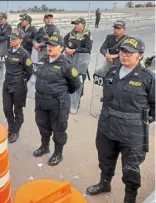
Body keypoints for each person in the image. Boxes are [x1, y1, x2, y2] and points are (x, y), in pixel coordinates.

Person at [86, 37, 155, 203]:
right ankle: (104, 183)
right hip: (107, 126)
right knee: (105, 159)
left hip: (132, 132)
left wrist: (140, 121)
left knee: (130, 169)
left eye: (129, 53)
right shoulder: (112, 71)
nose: (124, 55)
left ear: (139, 56)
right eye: (123, 51)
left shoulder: (147, 78)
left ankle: (129, 198)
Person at [32, 33, 80, 166]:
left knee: (59, 129)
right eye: (48, 45)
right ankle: (44, 146)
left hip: (58, 103)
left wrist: (61, 93)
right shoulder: (43, 60)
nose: (50, 47)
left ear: (62, 48)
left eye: (54, 45)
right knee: (43, 125)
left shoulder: (67, 65)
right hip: (41, 100)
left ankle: (58, 153)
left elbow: (75, 85)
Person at [3, 28, 33, 143]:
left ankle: (15, 131)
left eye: (14, 39)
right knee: (7, 108)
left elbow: (29, 71)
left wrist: (22, 80)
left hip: (18, 86)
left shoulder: (24, 54)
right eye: (11, 38)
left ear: (21, 40)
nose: (11, 40)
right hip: (7, 83)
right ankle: (11, 127)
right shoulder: (9, 50)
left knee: (18, 110)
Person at [64, 17, 93, 103]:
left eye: (77, 24)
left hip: (81, 63)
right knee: (69, 79)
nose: (75, 26)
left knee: (79, 81)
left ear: (83, 25)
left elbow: (88, 49)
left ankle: (77, 101)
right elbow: (63, 43)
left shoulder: (87, 35)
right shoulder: (70, 34)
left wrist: (74, 50)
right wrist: (66, 49)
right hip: (70, 61)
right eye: (75, 24)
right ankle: (69, 99)